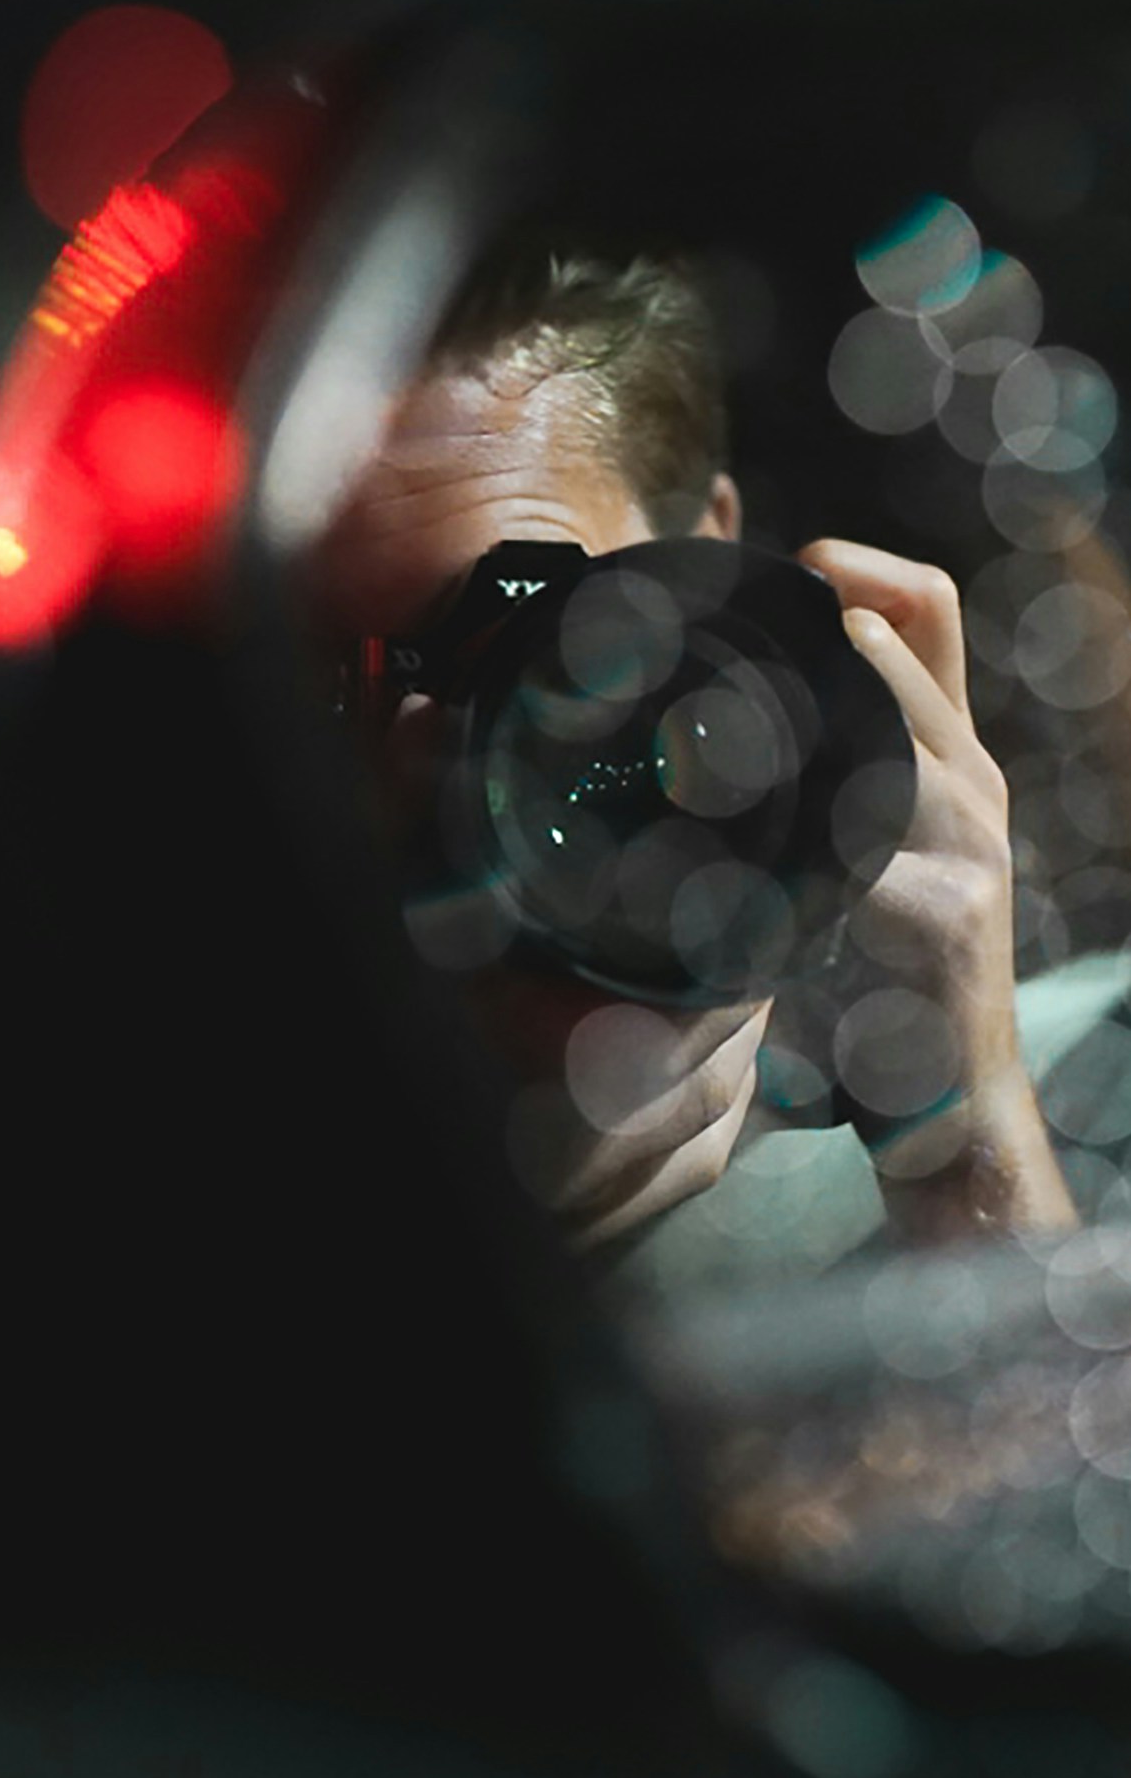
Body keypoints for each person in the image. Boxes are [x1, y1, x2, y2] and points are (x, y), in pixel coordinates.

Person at [297, 235, 1077, 1253]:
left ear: (703, 570)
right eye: (305, 692)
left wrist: (963, 1125)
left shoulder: (830, 1017)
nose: (412, 767)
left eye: (511, 650)